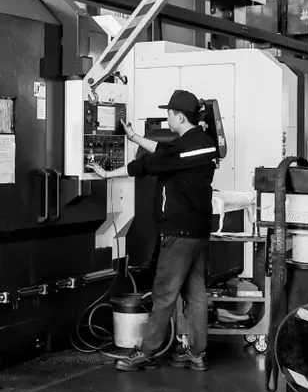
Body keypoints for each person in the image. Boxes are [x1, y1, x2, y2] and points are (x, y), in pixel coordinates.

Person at [87, 90, 218, 372]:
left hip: (178, 234)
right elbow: (164, 152)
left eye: (169, 113)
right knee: (196, 296)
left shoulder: (182, 149)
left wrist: (108, 173)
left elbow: (146, 165)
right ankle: (197, 353)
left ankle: (146, 351)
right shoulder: (204, 144)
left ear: (180, 116)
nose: (167, 117)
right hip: (199, 233)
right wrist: (134, 137)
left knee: (164, 295)